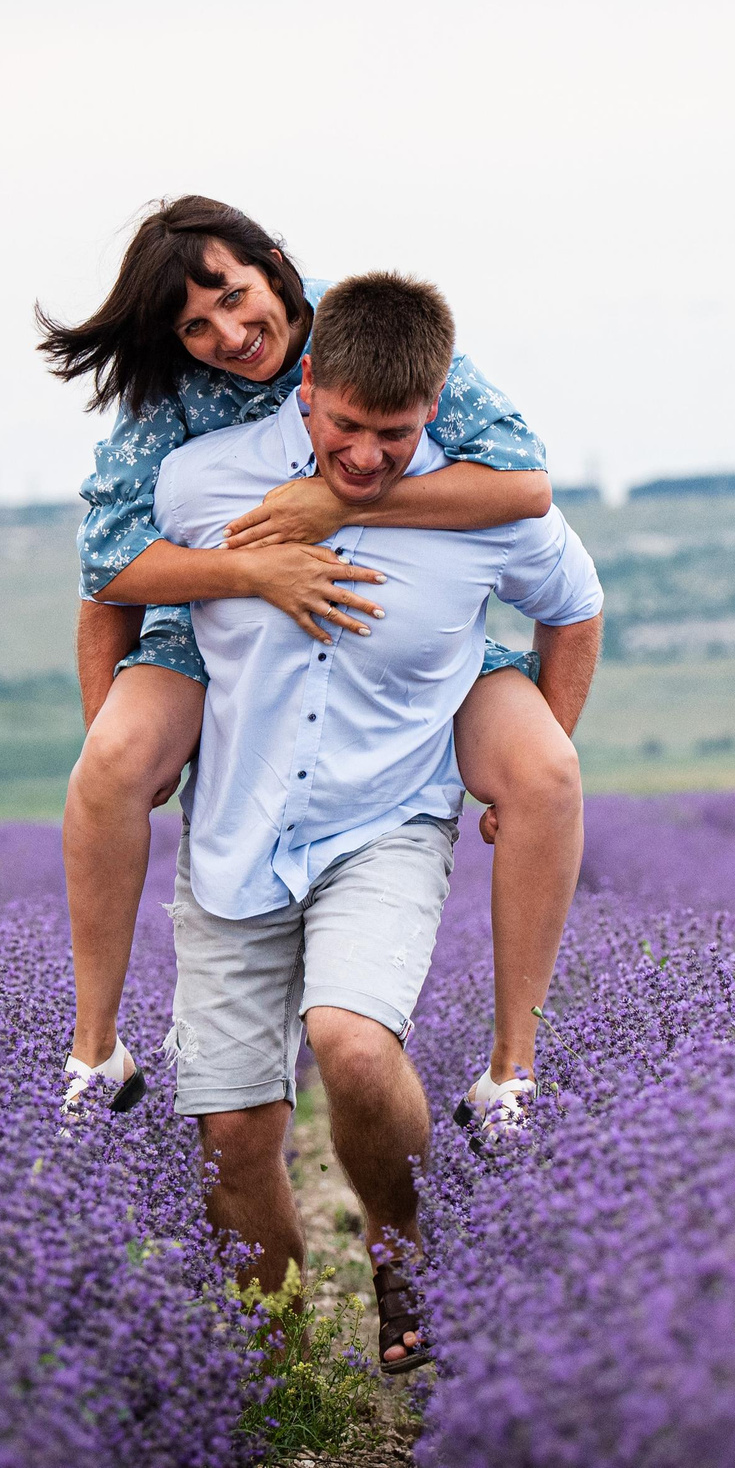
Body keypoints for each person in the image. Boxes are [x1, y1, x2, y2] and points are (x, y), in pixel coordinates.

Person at [36, 198, 585, 1126]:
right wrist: (252, 572)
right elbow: (109, 569)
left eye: (236, 299)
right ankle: (96, 1049)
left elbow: (525, 482)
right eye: (194, 326)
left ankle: (511, 1073)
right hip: (210, 615)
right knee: (111, 764)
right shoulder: (170, 391)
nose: (226, 334)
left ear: (274, 267)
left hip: (403, 638)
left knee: (547, 771)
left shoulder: (365, 330)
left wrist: (341, 506)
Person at [149, 271, 604, 1370]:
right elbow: (116, 580)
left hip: (387, 819)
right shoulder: (202, 482)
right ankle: (279, 1381)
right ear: (307, 385)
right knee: (236, 1139)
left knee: (351, 1044)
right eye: (346, 426)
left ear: (435, 406)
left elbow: (575, 608)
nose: (363, 456)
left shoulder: (485, 507)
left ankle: (404, 1246)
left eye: (393, 435)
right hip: (234, 834)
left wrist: (534, 747)